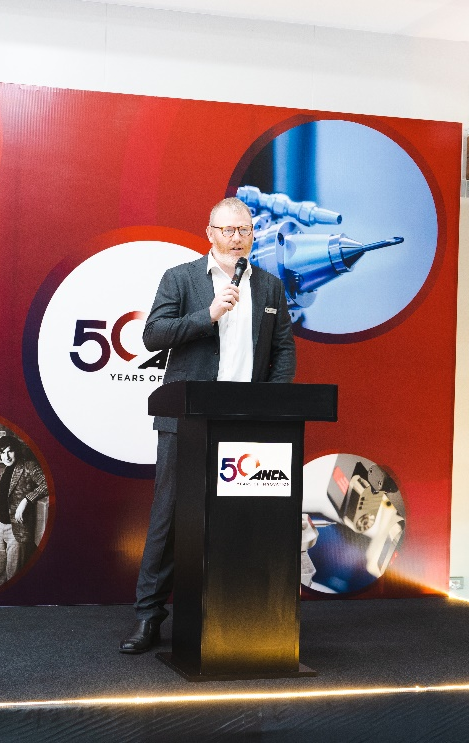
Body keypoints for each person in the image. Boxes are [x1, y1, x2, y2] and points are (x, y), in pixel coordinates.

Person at [120, 196, 296, 654]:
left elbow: (283, 351)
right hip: (187, 421)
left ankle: (235, 613)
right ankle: (148, 617)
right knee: (169, 518)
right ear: (211, 233)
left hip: (246, 423)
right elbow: (153, 335)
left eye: (245, 230)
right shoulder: (180, 278)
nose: (237, 238)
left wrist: (270, 406)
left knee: (241, 520)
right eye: (228, 230)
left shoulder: (270, 287)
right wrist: (209, 315)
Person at [0, 436, 48, 588]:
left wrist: (27, 500)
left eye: (10, 451)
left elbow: (48, 483)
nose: (6, 456)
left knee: (13, 577)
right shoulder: (4, 470)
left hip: (16, 529)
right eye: (3, 453)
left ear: (17, 451)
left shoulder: (29, 466)